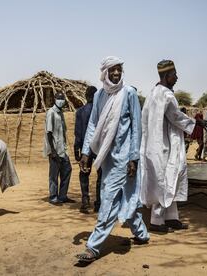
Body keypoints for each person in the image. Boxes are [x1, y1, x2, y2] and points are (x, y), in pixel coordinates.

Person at [75, 56, 149, 263]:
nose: (116, 73)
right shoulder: (100, 96)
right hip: (107, 157)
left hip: (126, 158)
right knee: (128, 197)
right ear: (104, 73)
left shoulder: (129, 94)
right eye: (112, 70)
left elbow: (137, 126)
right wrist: (86, 152)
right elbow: (93, 124)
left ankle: (93, 246)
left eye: (119, 69)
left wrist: (133, 157)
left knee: (108, 197)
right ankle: (142, 234)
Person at [140, 60, 205, 233]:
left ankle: (171, 218)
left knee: (171, 180)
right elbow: (176, 117)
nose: (177, 77)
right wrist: (196, 123)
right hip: (164, 147)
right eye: (174, 74)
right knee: (165, 181)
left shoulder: (154, 92)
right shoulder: (166, 95)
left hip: (157, 145)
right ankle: (156, 221)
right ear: (167, 76)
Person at [74, 85, 102, 213]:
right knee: (101, 174)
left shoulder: (80, 111)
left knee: (84, 173)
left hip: (86, 149)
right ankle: (99, 203)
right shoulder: (101, 111)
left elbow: (78, 133)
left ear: (86, 96)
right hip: (99, 147)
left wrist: (77, 148)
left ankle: (85, 201)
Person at [43, 92, 73, 205]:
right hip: (55, 149)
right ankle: (53, 196)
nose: (61, 100)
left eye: (63, 98)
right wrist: (53, 151)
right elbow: (49, 133)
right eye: (59, 98)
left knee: (67, 170)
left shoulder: (61, 113)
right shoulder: (51, 113)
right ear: (55, 99)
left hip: (63, 149)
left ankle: (63, 195)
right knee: (54, 174)